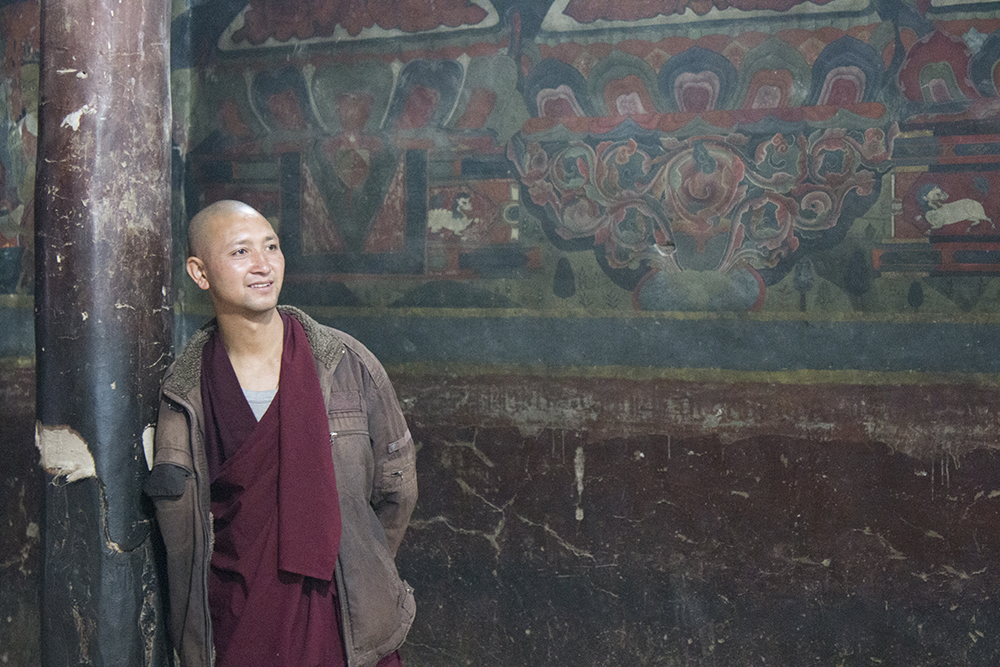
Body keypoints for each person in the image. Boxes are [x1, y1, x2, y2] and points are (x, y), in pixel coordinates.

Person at [144, 200, 416, 667]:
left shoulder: (347, 366)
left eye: (271, 246)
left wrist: (354, 562)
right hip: (236, 620)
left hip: (343, 617)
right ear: (199, 272)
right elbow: (183, 534)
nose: (263, 265)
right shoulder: (184, 393)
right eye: (241, 252)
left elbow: (396, 491)